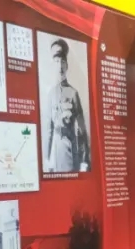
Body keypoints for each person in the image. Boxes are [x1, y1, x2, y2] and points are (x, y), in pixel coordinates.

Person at [44, 39, 90, 173]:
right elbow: (48, 129)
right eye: (56, 61)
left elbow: (82, 130)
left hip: (69, 150)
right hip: (54, 153)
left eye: (63, 62)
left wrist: (84, 160)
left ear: (67, 65)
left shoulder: (73, 93)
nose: (60, 66)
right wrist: (46, 158)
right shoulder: (50, 94)